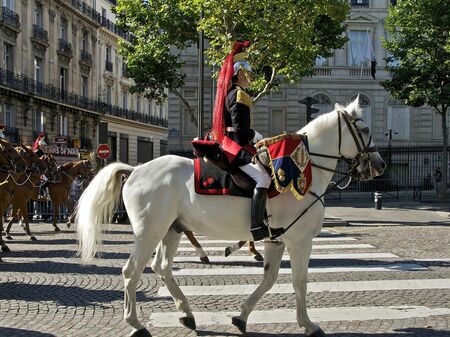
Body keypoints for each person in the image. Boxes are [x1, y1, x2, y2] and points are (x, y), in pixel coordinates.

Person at [211, 41, 284, 241]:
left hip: (231, 143)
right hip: (235, 146)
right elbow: (242, 133)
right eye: (249, 73)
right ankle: (257, 226)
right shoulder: (240, 95)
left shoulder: (230, 93)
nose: (251, 77)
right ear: (240, 73)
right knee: (264, 179)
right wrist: (257, 136)